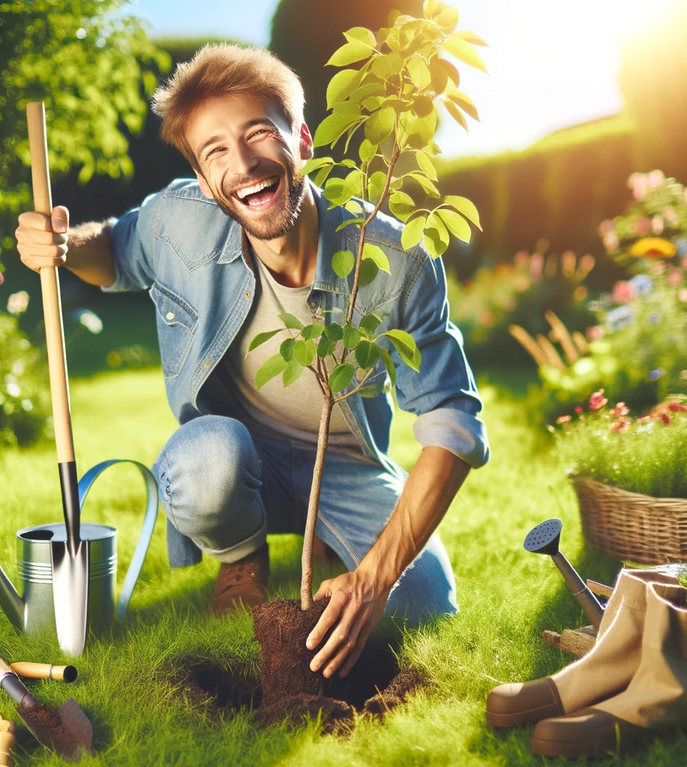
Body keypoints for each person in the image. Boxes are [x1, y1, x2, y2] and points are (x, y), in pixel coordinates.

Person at [15, 45, 490, 679]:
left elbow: (451, 422)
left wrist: (376, 579)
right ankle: (241, 554)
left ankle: (330, 539)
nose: (242, 165)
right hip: (237, 456)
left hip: (344, 465)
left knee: (425, 604)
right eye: (214, 152)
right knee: (205, 457)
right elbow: (118, 251)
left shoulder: (391, 257)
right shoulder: (178, 221)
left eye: (259, 133)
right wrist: (64, 244)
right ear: (204, 178)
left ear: (303, 137)